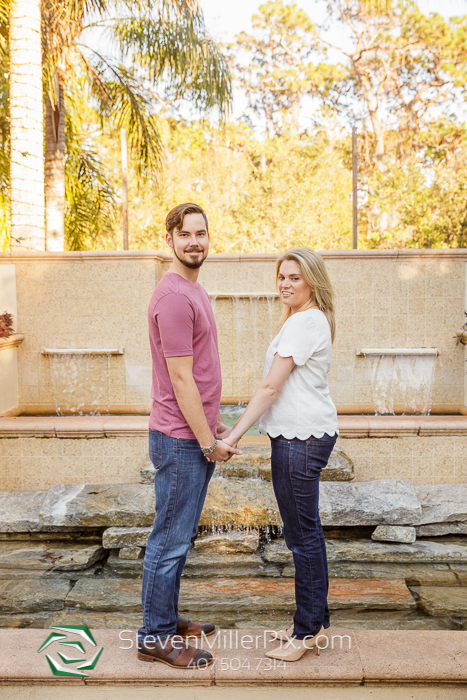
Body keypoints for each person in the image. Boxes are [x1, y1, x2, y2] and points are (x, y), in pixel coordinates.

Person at [138, 203, 241, 669]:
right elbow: (180, 380)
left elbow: (195, 372)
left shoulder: (190, 289)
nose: (195, 241)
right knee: (169, 540)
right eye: (186, 235)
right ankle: (154, 637)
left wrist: (213, 421)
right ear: (170, 240)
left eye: (201, 233)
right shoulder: (175, 297)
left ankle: (165, 616)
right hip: (180, 439)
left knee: (176, 537)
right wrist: (205, 441)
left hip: (188, 431)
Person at [224, 247, 339, 662]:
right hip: (301, 435)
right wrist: (232, 427)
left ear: (312, 281)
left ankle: (306, 633)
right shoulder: (304, 320)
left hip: (301, 439)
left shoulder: (304, 322)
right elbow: (277, 390)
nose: (286, 284)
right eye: (282, 277)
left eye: (295, 277)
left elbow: (271, 387)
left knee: (302, 536)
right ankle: (313, 621)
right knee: (305, 533)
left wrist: (233, 436)